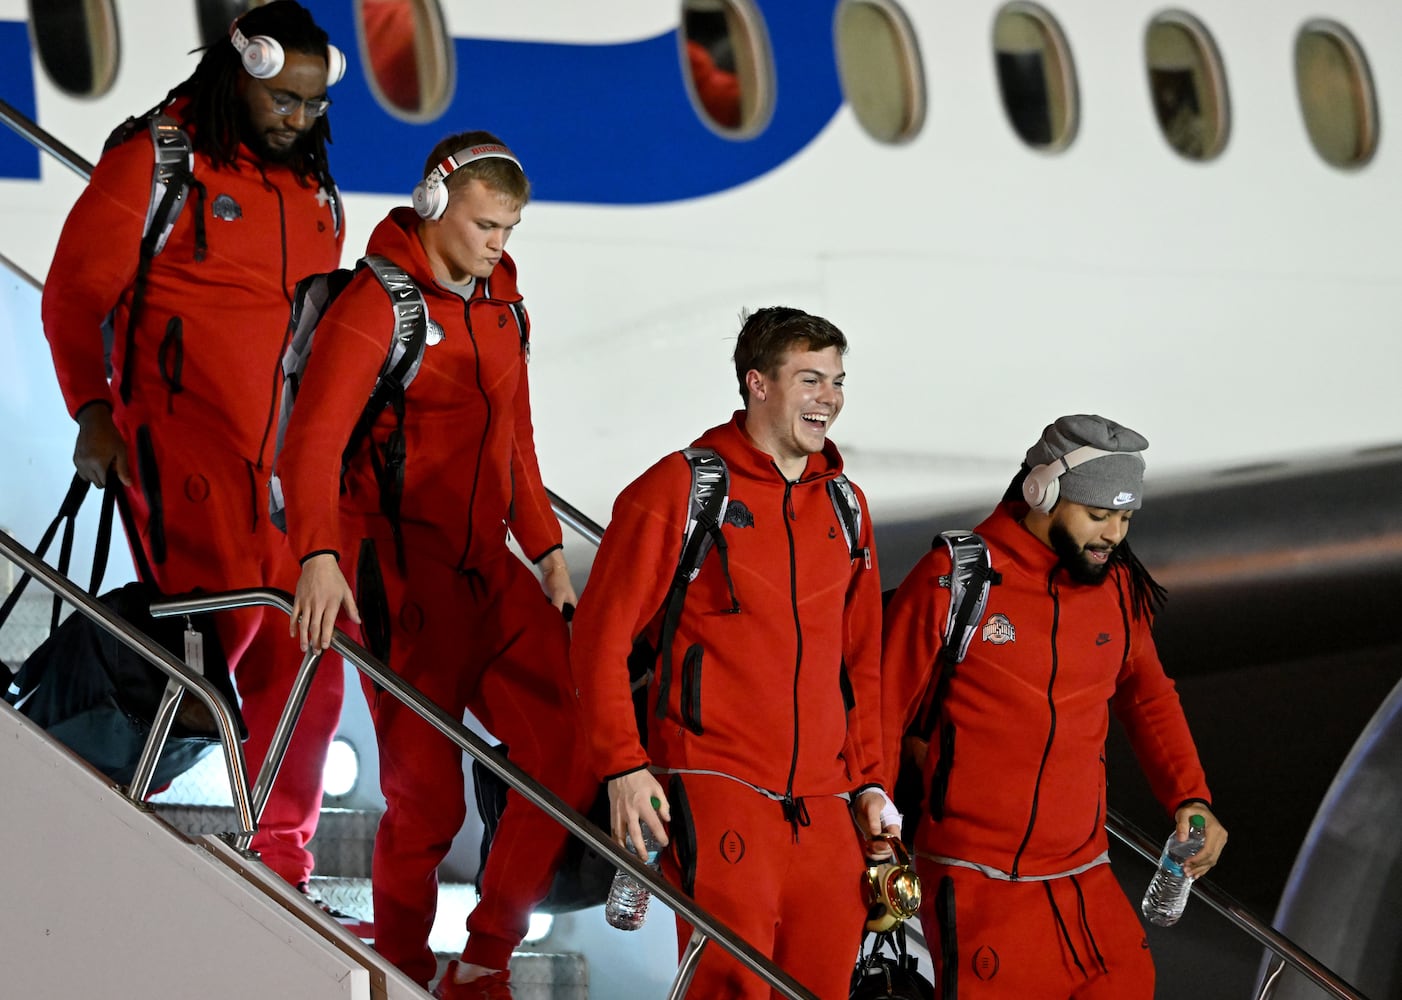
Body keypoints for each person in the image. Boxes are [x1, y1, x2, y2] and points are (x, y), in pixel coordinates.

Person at [279, 130, 597, 998]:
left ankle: (487, 953)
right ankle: (403, 968)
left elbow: (516, 442)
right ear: (433, 206)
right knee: (427, 803)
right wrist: (316, 553)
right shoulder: (378, 306)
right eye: (488, 224)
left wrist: (546, 552)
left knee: (567, 742)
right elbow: (310, 442)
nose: (500, 243)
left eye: (511, 228)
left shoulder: (502, 301)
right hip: (398, 575)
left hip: (484, 568)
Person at [41, 1, 347, 897]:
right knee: (214, 646)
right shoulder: (159, 158)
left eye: (313, 104)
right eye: (283, 98)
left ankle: (283, 868)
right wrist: (92, 411)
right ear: (237, 73)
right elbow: (71, 295)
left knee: (312, 662)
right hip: (179, 446)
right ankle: (89, 819)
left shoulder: (311, 189)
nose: (298, 118)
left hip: (281, 477)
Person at [570, 306, 900, 999]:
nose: (829, 399)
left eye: (837, 381)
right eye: (810, 380)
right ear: (757, 383)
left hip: (825, 802)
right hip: (718, 787)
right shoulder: (681, 490)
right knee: (731, 989)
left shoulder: (847, 506)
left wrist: (871, 783)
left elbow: (862, 663)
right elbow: (600, 635)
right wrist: (623, 766)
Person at [882, 414, 1229, 999]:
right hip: (979, 882)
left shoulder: (1118, 589)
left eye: (1125, 518)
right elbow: (879, 710)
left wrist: (1190, 795)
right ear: (1041, 493)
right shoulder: (958, 578)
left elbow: (1147, 697)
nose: (1113, 536)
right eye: (1097, 516)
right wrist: (873, 838)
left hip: (1086, 878)